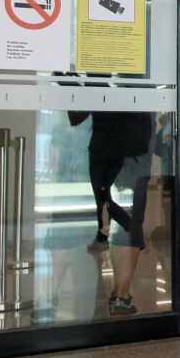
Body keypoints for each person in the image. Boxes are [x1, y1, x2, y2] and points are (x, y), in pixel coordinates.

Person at [70, 109, 153, 316]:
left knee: (118, 217)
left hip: (101, 146)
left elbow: (75, 115)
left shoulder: (94, 76)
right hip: (131, 148)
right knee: (128, 222)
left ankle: (119, 292)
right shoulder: (135, 79)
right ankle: (121, 297)